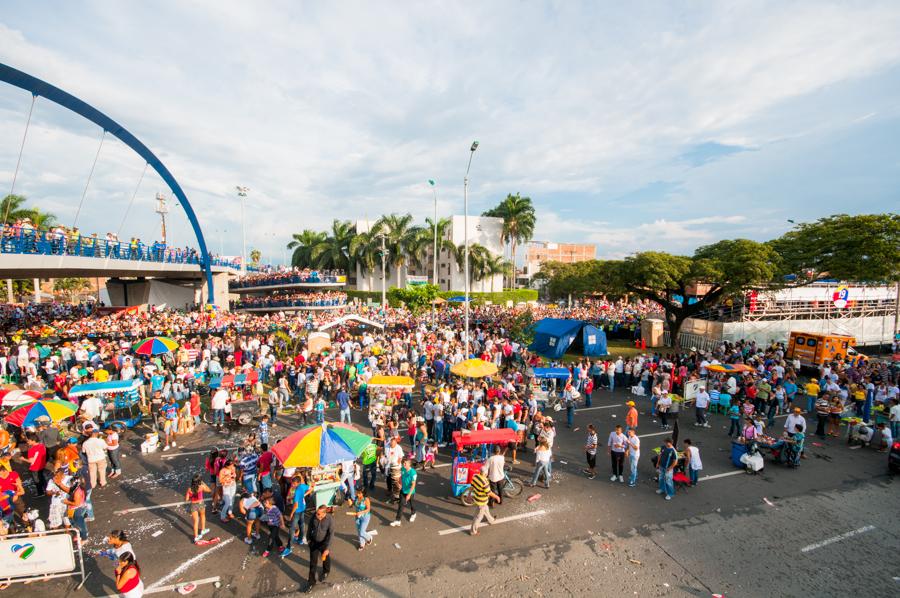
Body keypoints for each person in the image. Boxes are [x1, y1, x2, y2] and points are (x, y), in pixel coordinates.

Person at [306, 505, 333, 591]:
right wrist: (308, 540)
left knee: (325, 558)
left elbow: (331, 534)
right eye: (317, 513)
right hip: (314, 542)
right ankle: (311, 582)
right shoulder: (314, 516)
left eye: (318, 513)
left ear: (324, 513)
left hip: (324, 543)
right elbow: (309, 528)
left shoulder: (330, 520)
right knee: (312, 563)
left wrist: (327, 548)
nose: (316, 514)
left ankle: (326, 571)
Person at [284, 474, 311, 557]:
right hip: (303, 508)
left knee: (292, 529)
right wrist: (304, 495)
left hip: (297, 511)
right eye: (292, 483)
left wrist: (291, 513)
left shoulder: (297, 491)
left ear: (298, 483)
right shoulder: (303, 486)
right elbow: (310, 488)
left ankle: (289, 547)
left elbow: (295, 505)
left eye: (294, 483)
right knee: (301, 524)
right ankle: (300, 539)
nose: (292, 485)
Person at [469, 465, 500, 536]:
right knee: (478, 517)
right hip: (481, 501)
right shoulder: (485, 482)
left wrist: (469, 495)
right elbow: (489, 492)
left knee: (486, 509)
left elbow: (472, 486)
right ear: (486, 473)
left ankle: (491, 520)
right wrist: (497, 497)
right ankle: (473, 531)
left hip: (478, 498)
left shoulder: (475, 476)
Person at [390, 458, 417, 526]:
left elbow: (413, 485)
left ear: (409, 464)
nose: (404, 464)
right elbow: (401, 477)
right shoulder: (403, 469)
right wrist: (400, 484)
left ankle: (413, 513)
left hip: (410, 492)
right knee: (401, 505)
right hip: (403, 490)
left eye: (405, 463)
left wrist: (409, 494)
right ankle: (397, 520)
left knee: (412, 504)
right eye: (403, 463)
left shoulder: (413, 473)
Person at [185, 474, 211, 543]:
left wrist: (191, 496)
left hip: (193, 505)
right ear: (199, 481)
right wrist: (203, 483)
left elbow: (186, 499)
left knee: (196, 521)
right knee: (202, 516)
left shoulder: (190, 489)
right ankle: (203, 529)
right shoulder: (201, 487)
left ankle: (196, 537)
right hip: (201, 504)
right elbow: (209, 490)